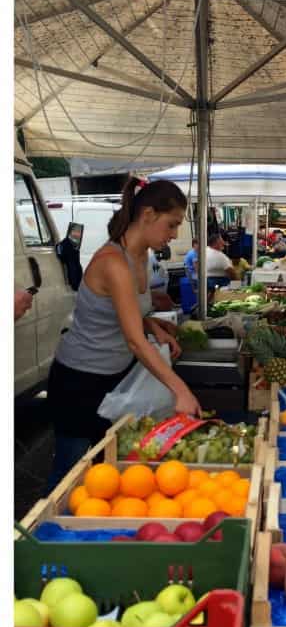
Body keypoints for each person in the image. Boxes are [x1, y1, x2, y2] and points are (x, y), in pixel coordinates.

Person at [47, 177, 201, 487]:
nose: (173, 235)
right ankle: (35, 534)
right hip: (78, 382)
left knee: (108, 477)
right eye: (171, 225)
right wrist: (180, 390)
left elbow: (127, 313)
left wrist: (153, 324)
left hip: (112, 379)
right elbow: (133, 340)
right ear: (147, 215)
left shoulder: (141, 256)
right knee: (68, 479)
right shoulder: (113, 262)